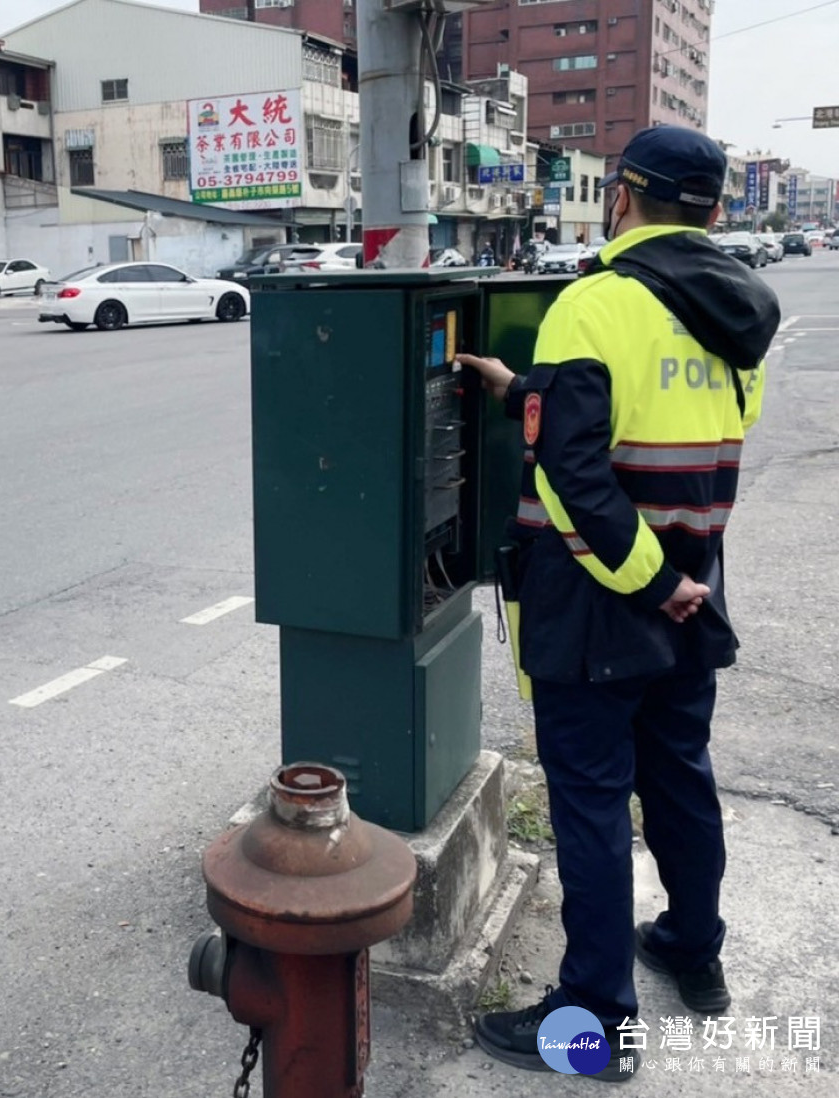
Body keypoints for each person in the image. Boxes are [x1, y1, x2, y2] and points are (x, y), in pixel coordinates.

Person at [456, 126, 781, 1079]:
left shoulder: (592, 304)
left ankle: (595, 1024)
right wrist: (536, 392)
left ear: (620, 199)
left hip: (610, 598)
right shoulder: (739, 315)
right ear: (716, 211)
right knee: (679, 775)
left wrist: (650, 580)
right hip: (698, 587)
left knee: (593, 804)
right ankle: (693, 944)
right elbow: (699, 424)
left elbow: (576, 475)